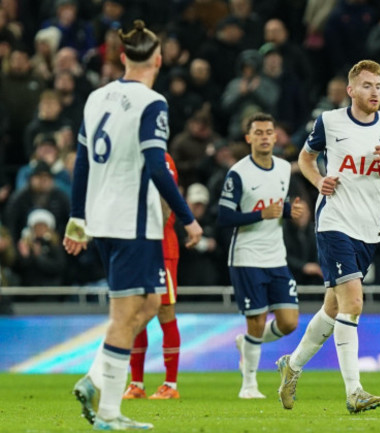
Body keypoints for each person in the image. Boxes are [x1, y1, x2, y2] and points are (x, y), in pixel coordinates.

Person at [63, 20, 202, 430]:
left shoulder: (95, 98)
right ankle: (108, 412)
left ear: (123, 57)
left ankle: (94, 378)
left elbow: (82, 162)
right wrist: (189, 219)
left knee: (151, 303)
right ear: (158, 59)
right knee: (125, 314)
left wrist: (77, 217)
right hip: (134, 222)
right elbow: (157, 166)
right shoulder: (152, 103)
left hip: (103, 218)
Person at [276, 60, 380, 414]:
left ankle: (292, 366)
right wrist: (318, 180)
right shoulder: (329, 122)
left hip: (369, 227)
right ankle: (354, 391)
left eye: (378, 85)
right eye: (367, 85)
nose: (374, 92)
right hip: (334, 221)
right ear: (351, 91)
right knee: (353, 302)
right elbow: (306, 159)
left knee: (333, 307)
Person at [217, 112, 306, 399]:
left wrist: (292, 210)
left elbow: (279, 204)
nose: (266, 137)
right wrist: (259, 214)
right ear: (249, 138)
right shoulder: (238, 173)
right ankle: (249, 385)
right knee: (256, 320)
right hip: (246, 256)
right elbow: (223, 217)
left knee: (289, 322)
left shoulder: (282, 168)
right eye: (259, 133)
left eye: (270, 132)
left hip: (276, 257)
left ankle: (247, 343)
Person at [124, 153, 183, 400]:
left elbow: (166, 200)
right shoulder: (125, 158)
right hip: (134, 247)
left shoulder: (162, 158)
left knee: (164, 312)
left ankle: (170, 384)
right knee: (136, 312)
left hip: (160, 248)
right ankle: (136, 383)